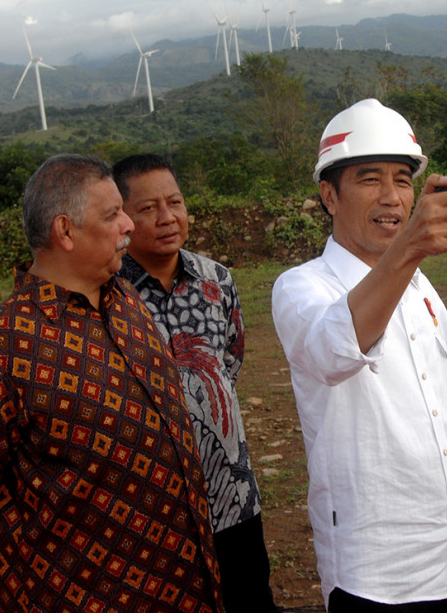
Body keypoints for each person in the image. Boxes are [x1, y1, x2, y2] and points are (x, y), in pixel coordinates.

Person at [0, 154, 223, 613]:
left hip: (183, 583)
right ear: (65, 231)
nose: (128, 224)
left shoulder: (126, 301)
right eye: (113, 214)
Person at [271, 98, 447, 612]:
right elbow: (334, 351)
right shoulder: (301, 287)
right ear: (329, 196)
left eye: (402, 179)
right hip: (373, 575)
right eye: (369, 179)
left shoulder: (421, 287)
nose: (392, 197)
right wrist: (409, 249)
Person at [112, 153, 279, 613]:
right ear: (122, 217)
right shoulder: (109, 295)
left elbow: (229, 361)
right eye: (148, 208)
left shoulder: (217, 280)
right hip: (152, 504)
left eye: (175, 202)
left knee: (250, 599)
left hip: (231, 492)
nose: (167, 218)